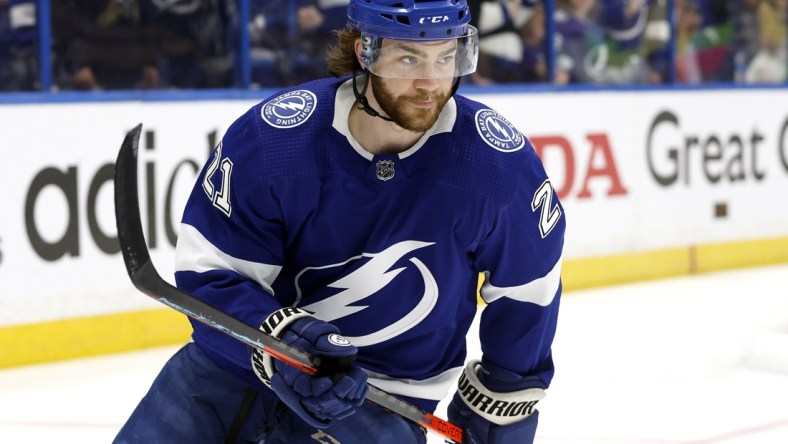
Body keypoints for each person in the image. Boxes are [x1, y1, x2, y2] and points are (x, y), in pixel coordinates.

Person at [114, 0, 565, 443]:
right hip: (230, 376)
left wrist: (501, 400)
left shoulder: (497, 168)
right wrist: (286, 344)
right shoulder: (276, 141)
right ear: (362, 51)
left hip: (383, 402)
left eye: (447, 56)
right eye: (409, 57)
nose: (431, 81)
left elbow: (530, 290)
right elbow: (212, 274)